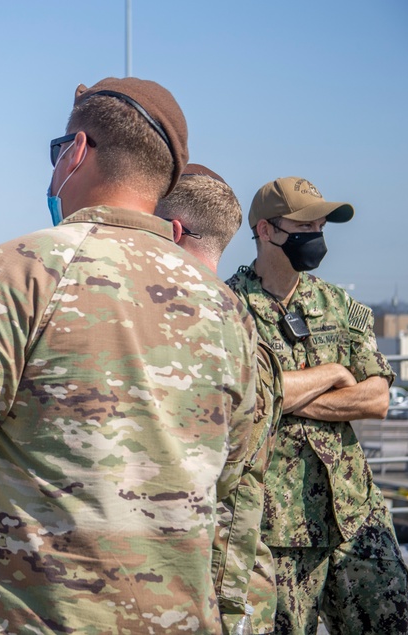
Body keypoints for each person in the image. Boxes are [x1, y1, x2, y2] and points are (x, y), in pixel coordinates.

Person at [0, 78, 257, 633]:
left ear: (77, 151)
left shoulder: (16, 273)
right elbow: (237, 483)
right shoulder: (227, 310)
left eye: (57, 151)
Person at [226, 177, 408, 635]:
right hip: (277, 531)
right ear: (265, 231)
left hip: (355, 515)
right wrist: (331, 373)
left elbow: (377, 398)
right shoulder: (228, 309)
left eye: (321, 223)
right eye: (305, 224)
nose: (317, 233)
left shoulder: (338, 304)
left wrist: (282, 397)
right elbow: (243, 400)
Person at [155, 165, 285, 634]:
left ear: (172, 232)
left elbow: (231, 489)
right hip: (219, 585)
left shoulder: (200, 332)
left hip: (213, 590)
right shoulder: (236, 326)